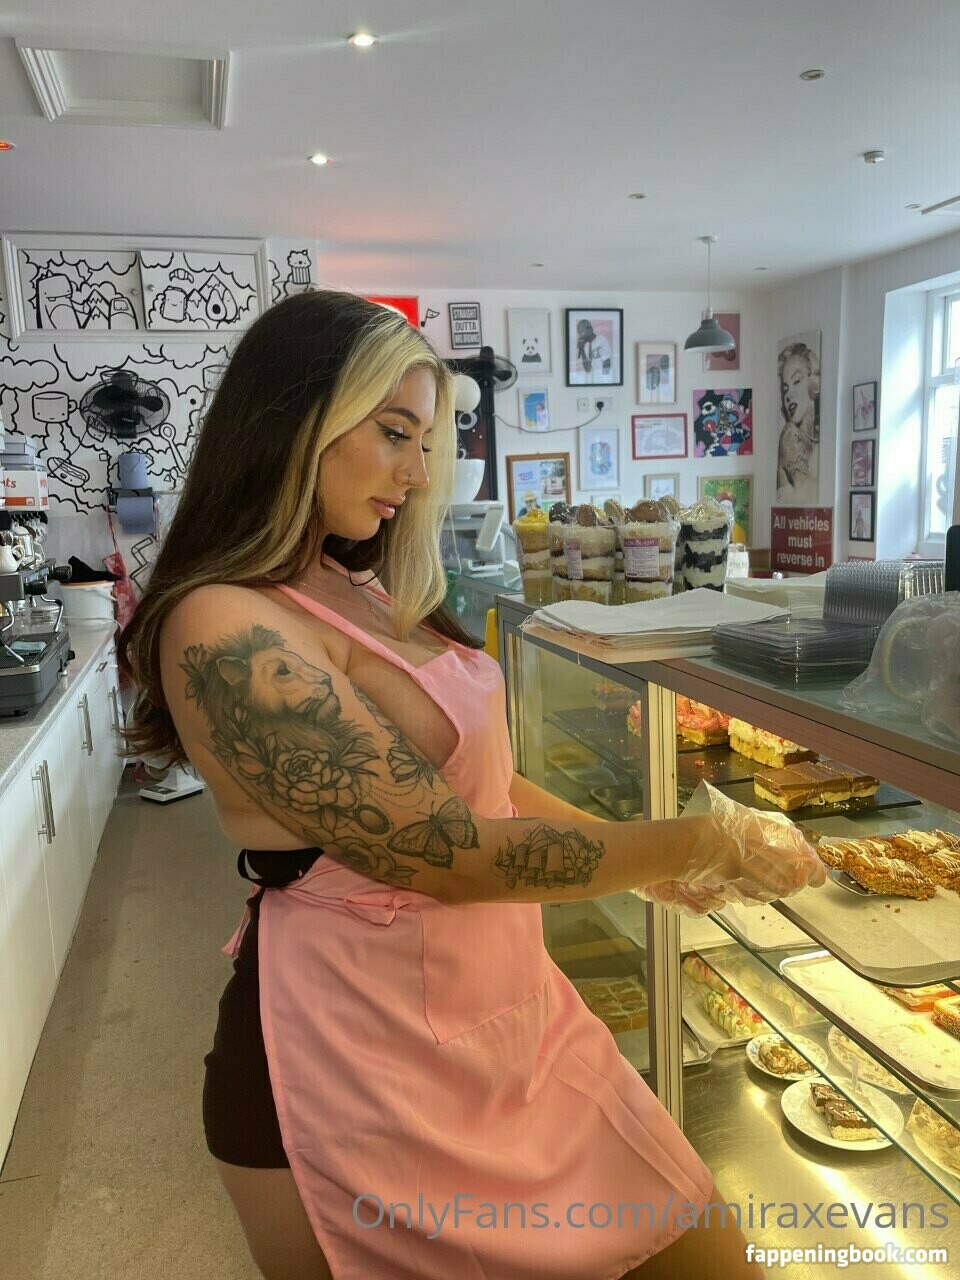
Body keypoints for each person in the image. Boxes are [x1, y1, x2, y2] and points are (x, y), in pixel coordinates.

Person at [118, 291, 824, 1280]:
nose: (417, 473)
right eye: (393, 433)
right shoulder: (224, 625)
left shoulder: (358, 582)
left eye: (427, 442)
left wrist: (655, 868)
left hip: (511, 1012)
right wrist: (699, 840)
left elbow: (482, 784)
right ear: (294, 420)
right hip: (354, 1057)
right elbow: (449, 855)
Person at [776, 342, 820, 504]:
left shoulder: (817, 438)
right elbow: (808, 495)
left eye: (796, 381)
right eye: (785, 389)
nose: (788, 395)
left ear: (812, 382)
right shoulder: (790, 435)